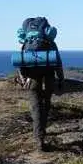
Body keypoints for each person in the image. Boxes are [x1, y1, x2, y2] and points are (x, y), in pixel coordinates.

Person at [17, 17, 65, 151]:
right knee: (46, 103)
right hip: (48, 76)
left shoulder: (26, 43)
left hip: (32, 78)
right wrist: (61, 79)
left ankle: (39, 137)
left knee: (35, 106)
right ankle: (42, 130)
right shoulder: (49, 42)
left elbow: (20, 62)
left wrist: (23, 78)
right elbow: (58, 62)